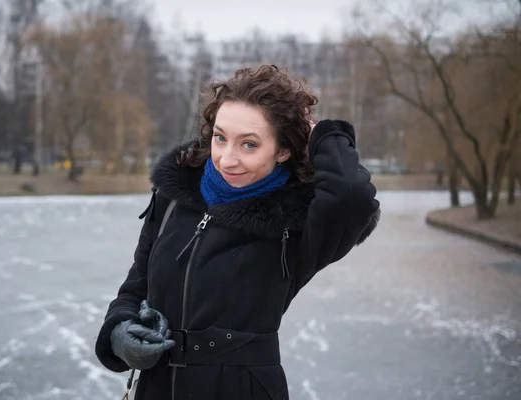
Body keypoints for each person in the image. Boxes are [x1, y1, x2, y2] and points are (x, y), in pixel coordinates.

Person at [95, 65, 381, 400]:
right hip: (155, 389)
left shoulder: (295, 222)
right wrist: (120, 333)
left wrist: (325, 135)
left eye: (249, 144)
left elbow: (351, 195)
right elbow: (134, 288)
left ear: (283, 150)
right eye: (220, 137)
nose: (226, 159)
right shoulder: (175, 195)